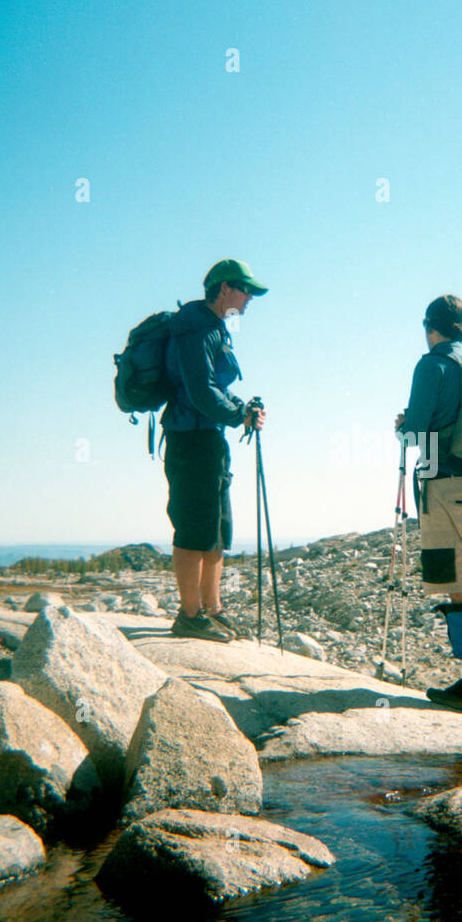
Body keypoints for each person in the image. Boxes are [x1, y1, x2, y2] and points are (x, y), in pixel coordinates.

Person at [395, 294, 462, 716]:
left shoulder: (432, 364)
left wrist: (403, 427)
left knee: (458, 578)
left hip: (443, 484)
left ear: (430, 327)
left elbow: (416, 433)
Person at [162, 259, 268, 641]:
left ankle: (212, 608)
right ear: (224, 288)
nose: (251, 297)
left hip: (208, 438)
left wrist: (242, 409)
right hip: (190, 439)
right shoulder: (194, 327)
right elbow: (200, 390)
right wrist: (238, 415)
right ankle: (189, 615)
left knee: (217, 527)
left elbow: (215, 389)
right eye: (246, 289)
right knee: (194, 525)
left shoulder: (212, 328)